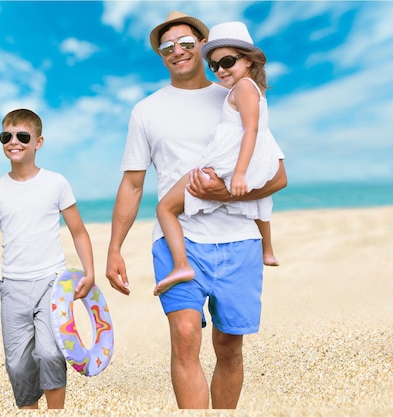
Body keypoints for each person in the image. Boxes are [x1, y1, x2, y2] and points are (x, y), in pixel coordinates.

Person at [105, 11, 287, 409]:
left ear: (204, 46)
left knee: (229, 345)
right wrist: (114, 247)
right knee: (185, 336)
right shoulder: (146, 111)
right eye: (166, 46)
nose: (177, 51)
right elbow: (133, 183)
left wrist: (225, 196)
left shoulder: (238, 94)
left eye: (186, 43)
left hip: (238, 239)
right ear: (160, 54)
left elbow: (276, 176)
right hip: (178, 240)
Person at [0, 109, 95, 409]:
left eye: (23, 136)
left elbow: (79, 232)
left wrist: (90, 272)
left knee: (50, 353)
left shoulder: (56, 183)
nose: (14, 142)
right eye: (6, 136)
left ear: (38, 142)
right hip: (13, 289)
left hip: (52, 283)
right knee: (18, 365)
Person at [154, 21, 282, 296]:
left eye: (227, 61)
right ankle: (267, 250)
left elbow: (251, 130)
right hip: (248, 161)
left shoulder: (244, 88)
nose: (220, 70)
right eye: (214, 65)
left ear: (248, 60)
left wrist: (238, 173)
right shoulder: (248, 88)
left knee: (165, 208)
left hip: (226, 163)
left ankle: (181, 265)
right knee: (260, 201)